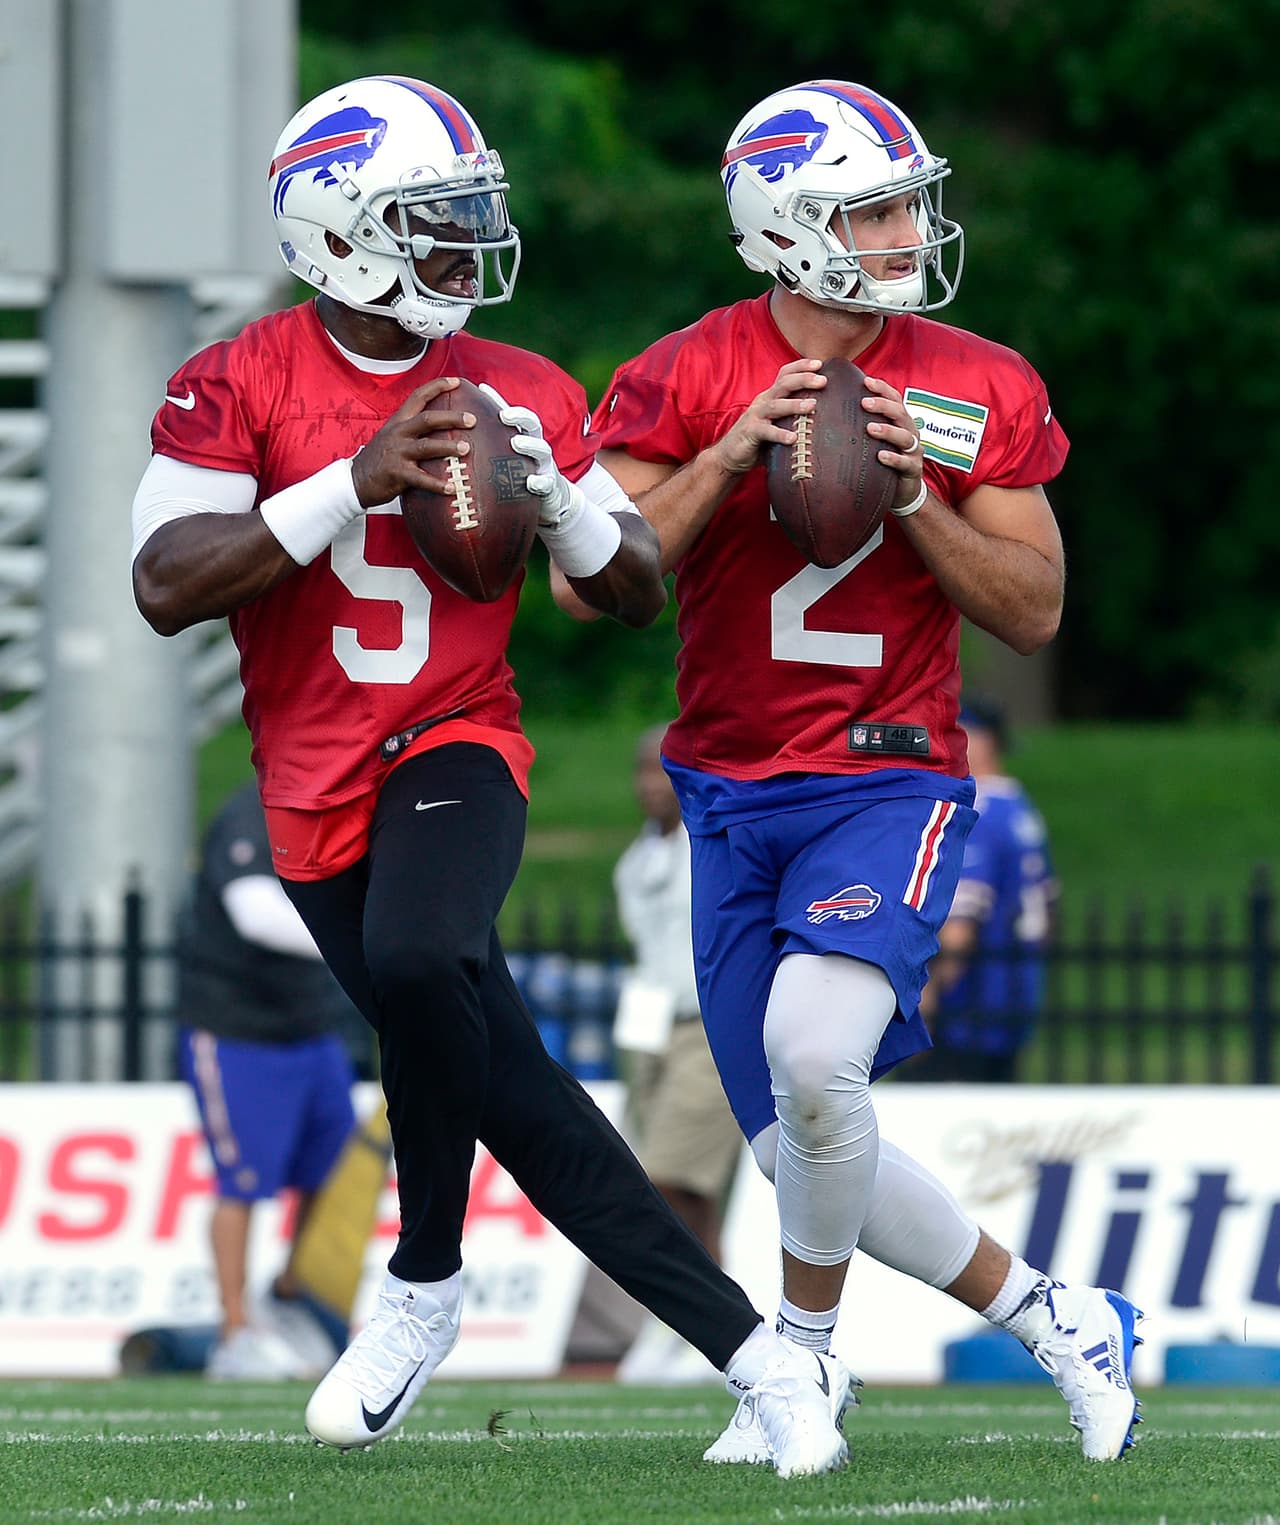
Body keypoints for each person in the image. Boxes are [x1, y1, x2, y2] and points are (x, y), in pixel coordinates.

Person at [130, 75, 850, 1478]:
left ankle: (419, 1282)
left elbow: (633, 590)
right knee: (519, 1096)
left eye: (472, 214)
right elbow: (165, 584)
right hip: (311, 781)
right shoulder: (235, 379)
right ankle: (763, 1359)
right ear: (337, 230)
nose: (466, 246)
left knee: (418, 954)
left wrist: (568, 501)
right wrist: (350, 479)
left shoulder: (521, 383)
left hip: (458, 740)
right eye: (433, 219)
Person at [579, 79, 1143, 1462]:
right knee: (800, 1140)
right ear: (785, 225)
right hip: (729, 792)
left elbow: (1033, 608)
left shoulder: (975, 380)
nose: (907, 232)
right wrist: (727, 456)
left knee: (814, 1059)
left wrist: (914, 503)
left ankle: (803, 1362)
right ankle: (1060, 1318)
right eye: (872, 210)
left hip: (886, 778)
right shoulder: (684, 373)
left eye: (907, 204)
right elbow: (592, 587)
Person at [178, 780, 361, 1380]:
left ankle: (289, 1297)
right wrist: (359, 942)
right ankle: (234, 1331)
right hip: (238, 1028)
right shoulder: (251, 811)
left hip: (311, 1024)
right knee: (243, 1182)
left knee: (331, 1172)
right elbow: (255, 913)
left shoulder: (339, 806)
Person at [612, 725, 743, 1384]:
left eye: (662, 772)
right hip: (648, 1031)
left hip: (705, 1027)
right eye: (642, 772)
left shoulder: (714, 844)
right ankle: (718, 1323)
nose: (650, 786)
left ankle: (690, 1319)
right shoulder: (635, 861)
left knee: (668, 1177)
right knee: (687, 1190)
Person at [913, 698, 1060, 1081]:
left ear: (981, 740)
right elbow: (1049, 906)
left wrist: (928, 994)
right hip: (1012, 996)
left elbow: (960, 924)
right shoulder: (1021, 809)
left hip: (965, 1009)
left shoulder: (979, 812)